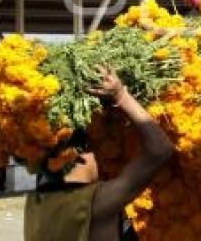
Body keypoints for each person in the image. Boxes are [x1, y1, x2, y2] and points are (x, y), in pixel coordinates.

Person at [24, 67, 174, 241]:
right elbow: (160, 150)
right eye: (96, 149)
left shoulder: (36, 204)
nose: (102, 158)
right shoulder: (96, 203)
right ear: (78, 157)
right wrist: (121, 96)